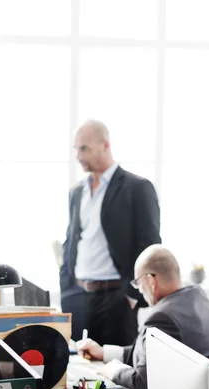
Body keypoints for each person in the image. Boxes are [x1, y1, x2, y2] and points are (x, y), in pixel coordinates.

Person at [60, 120, 161, 345]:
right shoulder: (77, 192)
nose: (78, 155)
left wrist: (131, 297)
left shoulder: (137, 188)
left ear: (105, 145)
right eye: (76, 149)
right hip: (78, 297)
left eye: (84, 148)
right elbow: (71, 241)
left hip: (116, 299)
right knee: (77, 368)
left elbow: (150, 246)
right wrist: (66, 288)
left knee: (117, 371)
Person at [77, 245, 209, 389]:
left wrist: (113, 370)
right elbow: (148, 355)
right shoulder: (198, 298)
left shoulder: (162, 317)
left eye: (138, 283)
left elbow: (142, 383)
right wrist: (104, 352)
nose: (140, 290)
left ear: (151, 281)